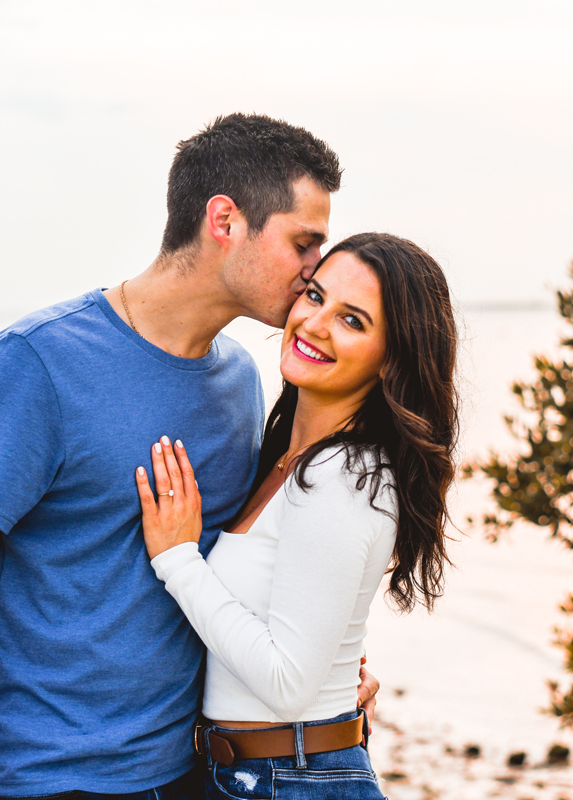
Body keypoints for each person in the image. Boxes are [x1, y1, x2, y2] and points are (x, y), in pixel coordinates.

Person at [0, 113, 380, 800]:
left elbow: (240, 565)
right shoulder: (36, 364)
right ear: (225, 220)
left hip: (198, 773)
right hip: (49, 778)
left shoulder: (240, 382)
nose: (315, 273)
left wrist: (326, 665)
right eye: (304, 244)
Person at [134, 233, 458, 798]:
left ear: (391, 361)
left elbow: (286, 683)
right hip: (258, 773)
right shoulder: (288, 458)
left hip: (288, 778)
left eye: (353, 321)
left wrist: (178, 559)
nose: (315, 324)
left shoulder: (345, 474)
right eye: (314, 296)